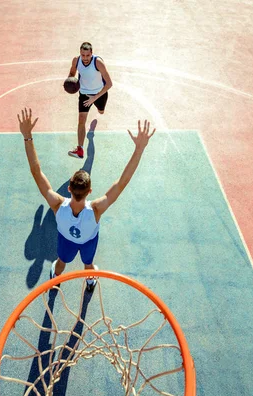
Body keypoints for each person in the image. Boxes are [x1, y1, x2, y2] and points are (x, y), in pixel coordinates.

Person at [17, 108, 155, 291]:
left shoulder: (58, 205)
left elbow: (36, 172)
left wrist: (27, 136)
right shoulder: (96, 210)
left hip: (66, 240)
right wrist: (139, 149)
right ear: (89, 191)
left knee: (61, 262)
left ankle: (56, 278)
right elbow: (122, 182)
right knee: (88, 264)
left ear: (68, 189)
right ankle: (90, 280)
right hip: (88, 241)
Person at [67, 42, 113, 159]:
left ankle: (98, 112)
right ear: (80, 54)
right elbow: (72, 73)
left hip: (99, 94)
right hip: (84, 94)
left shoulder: (98, 62)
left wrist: (94, 98)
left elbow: (109, 84)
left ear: (91, 54)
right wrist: (70, 82)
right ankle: (80, 150)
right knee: (81, 120)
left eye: (87, 55)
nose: (85, 58)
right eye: (83, 55)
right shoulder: (76, 61)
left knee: (101, 111)